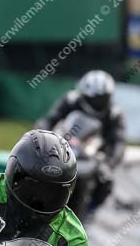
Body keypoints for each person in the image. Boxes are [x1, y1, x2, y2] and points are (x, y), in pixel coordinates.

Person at [37, 70, 125, 211]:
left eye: (102, 98)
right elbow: (48, 121)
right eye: (95, 98)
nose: (98, 102)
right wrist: (41, 139)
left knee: (106, 181)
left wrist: (109, 164)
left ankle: (90, 212)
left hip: (92, 155)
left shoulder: (114, 114)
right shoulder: (71, 100)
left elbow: (118, 143)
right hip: (63, 147)